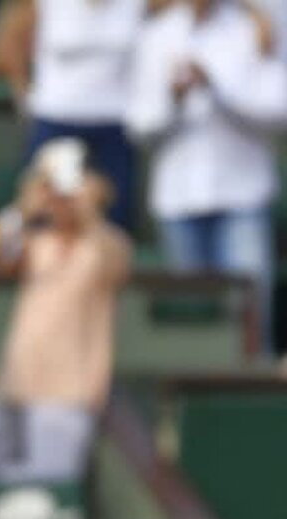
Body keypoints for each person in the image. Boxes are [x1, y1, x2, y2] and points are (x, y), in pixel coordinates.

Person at [0, 138, 131, 486]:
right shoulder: (38, 244)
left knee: (48, 490)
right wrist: (23, 206)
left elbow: (116, 262)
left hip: (68, 396)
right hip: (13, 390)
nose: (62, 193)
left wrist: (87, 205)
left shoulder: (104, 244)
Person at [125, 0, 287, 354]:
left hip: (243, 194)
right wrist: (174, 99)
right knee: (194, 329)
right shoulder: (156, 35)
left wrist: (215, 87)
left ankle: (254, 405)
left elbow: (278, 108)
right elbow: (139, 125)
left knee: (250, 322)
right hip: (178, 200)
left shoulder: (252, 29)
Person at [0, 0, 145, 229]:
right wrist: (23, 93)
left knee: (113, 217)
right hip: (55, 121)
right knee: (41, 214)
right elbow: (7, 40)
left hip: (114, 127)